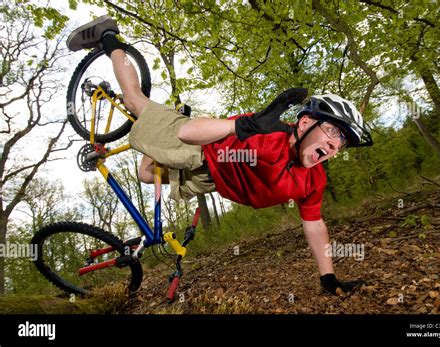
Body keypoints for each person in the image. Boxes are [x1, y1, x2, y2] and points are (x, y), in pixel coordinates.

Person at [67, 16, 373, 295]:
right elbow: (187, 134)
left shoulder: (313, 180)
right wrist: (242, 126)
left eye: (342, 142)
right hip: (201, 148)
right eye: (333, 132)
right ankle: (108, 36)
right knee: (135, 101)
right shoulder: (266, 131)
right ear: (305, 122)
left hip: (213, 180)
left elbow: (315, 225)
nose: (335, 146)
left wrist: (328, 279)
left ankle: (149, 131)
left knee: (145, 175)